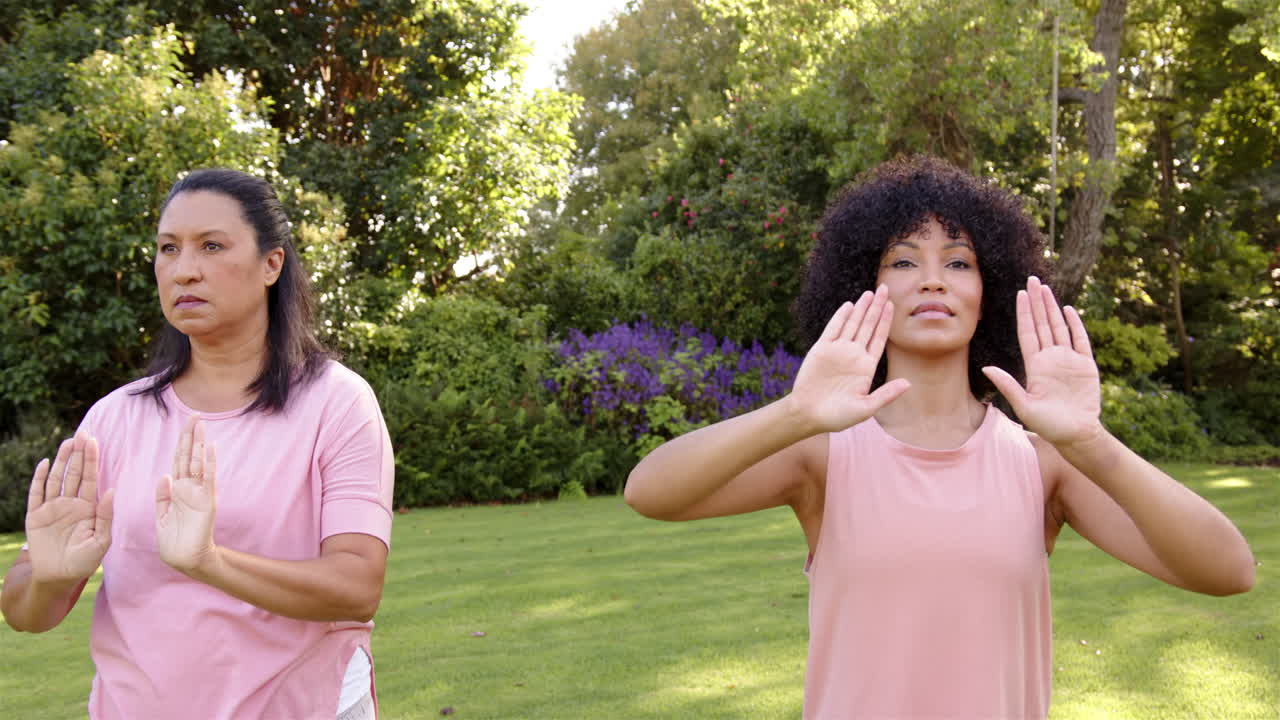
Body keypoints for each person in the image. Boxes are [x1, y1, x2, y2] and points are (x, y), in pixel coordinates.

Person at [623, 155, 1255, 719]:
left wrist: (1089, 441)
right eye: (903, 260)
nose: (933, 279)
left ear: (989, 293)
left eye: (958, 261)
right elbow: (649, 492)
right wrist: (796, 412)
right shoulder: (820, 454)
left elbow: (1229, 571)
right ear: (864, 290)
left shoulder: (1044, 467)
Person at [1, 169, 395, 720]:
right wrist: (52, 576)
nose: (184, 269)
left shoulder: (336, 403)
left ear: (271, 264)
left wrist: (209, 562)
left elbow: (356, 587)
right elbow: (27, 614)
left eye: (212, 246)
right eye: (168, 248)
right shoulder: (114, 418)